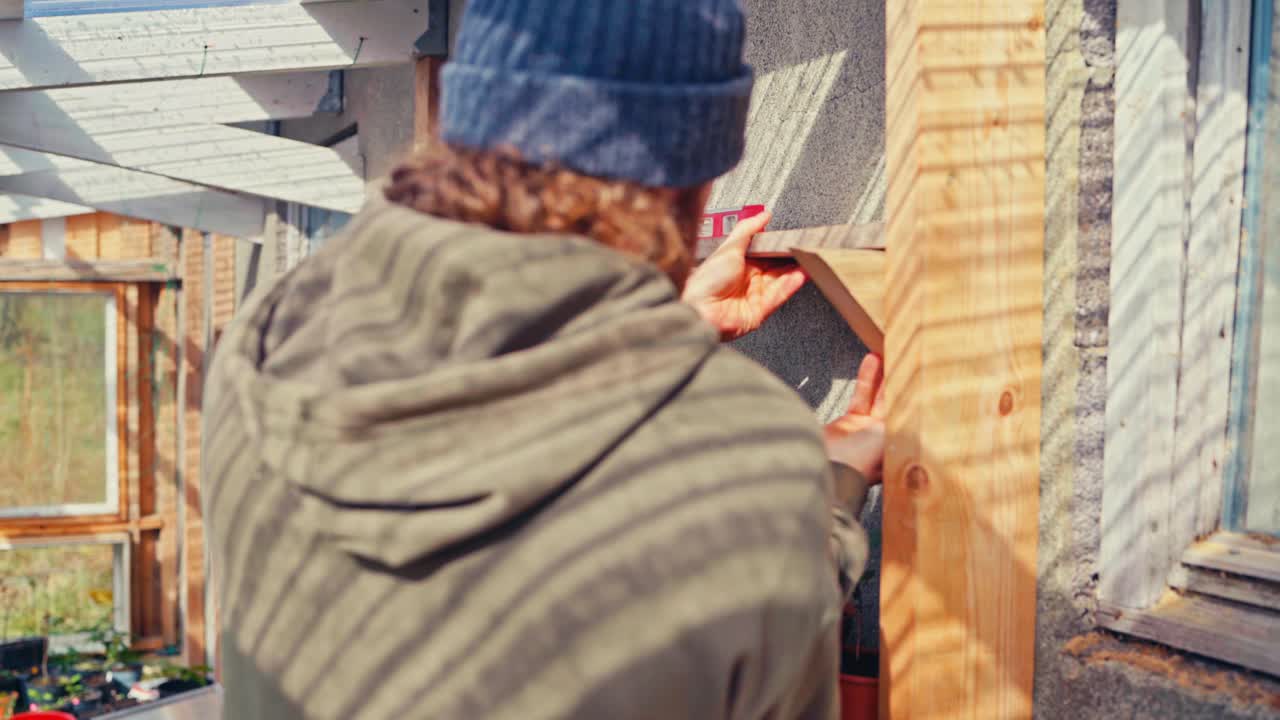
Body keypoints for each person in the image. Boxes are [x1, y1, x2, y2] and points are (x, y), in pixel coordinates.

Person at [202, 0, 886, 717]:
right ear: (693, 180)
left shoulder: (269, 345)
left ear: (460, 129)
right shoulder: (744, 462)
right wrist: (827, 479)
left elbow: (479, 424)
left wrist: (660, 330)